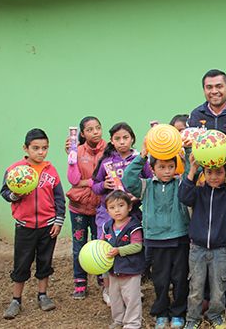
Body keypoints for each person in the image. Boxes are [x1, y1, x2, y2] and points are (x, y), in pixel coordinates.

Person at [121, 140, 192, 328]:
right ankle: (161, 311)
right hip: (156, 240)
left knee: (180, 278)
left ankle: (178, 312)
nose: (167, 171)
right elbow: (128, 179)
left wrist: (187, 150)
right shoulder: (146, 186)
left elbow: (193, 176)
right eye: (162, 167)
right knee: (160, 280)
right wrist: (142, 157)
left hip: (179, 238)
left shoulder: (180, 184)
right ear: (153, 168)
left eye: (171, 166)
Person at [1, 128, 65, 319]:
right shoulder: (15, 170)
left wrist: (58, 221)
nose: (40, 152)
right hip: (25, 226)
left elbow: (59, 198)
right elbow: (4, 192)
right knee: (21, 263)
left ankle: (43, 295)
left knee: (45, 261)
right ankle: (16, 300)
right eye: (36, 148)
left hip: (47, 226)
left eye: (44, 148)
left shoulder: (51, 171)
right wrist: (14, 195)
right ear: (26, 148)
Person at [179, 151, 226, 329]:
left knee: (218, 288)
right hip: (197, 249)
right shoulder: (198, 193)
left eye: (219, 172)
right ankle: (192, 318)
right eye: (209, 172)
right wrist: (192, 169)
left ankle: (215, 315)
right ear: (204, 174)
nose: (214, 176)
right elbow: (183, 196)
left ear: (225, 174)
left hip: (220, 250)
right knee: (195, 287)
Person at [92, 122, 153, 305]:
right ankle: (108, 288)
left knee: (132, 248)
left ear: (132, 138)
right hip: (108, 214)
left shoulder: (139, 159)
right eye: (117, 138)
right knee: (108, 249)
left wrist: (136, 195)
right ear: (111, 140)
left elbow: (150, 181)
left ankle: (134, 287)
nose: (122, 142)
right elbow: (94, 186)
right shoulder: (107, 161)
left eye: (125, 137)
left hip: (133, 212)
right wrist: (104, 185)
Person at [66, 116, 106, 300]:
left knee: (99, 243)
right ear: (82, 133)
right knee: (79, 246)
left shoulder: (108, 148)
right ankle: (80, 282)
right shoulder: (77, 150)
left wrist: (87, 182)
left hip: (101, 206)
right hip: (79, 208)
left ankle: (101, 276)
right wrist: (92, 181)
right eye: (90, 129)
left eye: (98, 128)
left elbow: (107, 177)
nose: (95, 132)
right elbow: (73, 180)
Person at [102, 190, 145, 329]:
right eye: (112, 208)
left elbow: (137, 246)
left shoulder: (134, 226)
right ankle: (118, 320)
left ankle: (132, 323)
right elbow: (101, 245)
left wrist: (119, 251)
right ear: (108, 211)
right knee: (115, 297)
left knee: (132, 298)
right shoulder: (107, 226)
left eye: (121, 205)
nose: (117, 210)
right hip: (113, 270)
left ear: (129, 207)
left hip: (131, 270)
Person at [187, 69, 226, 135]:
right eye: (209, 87)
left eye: (219, 87)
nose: (214, 91)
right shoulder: (196, 115)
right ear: (204, 90)